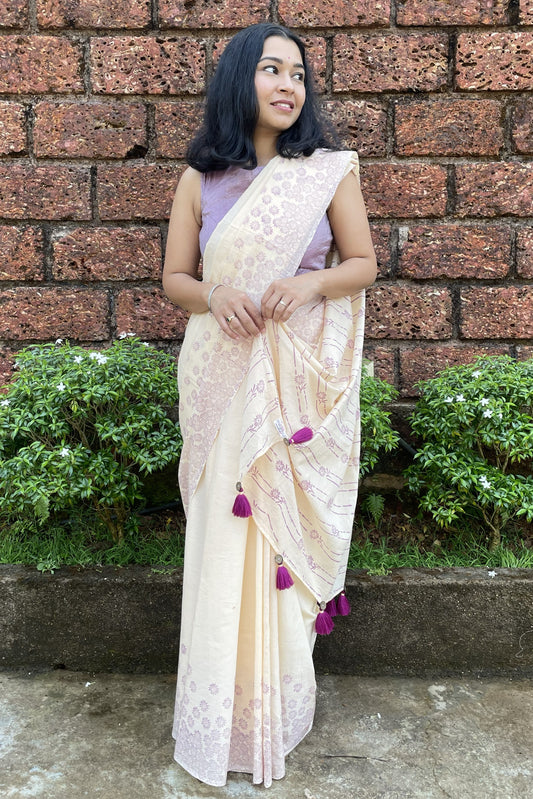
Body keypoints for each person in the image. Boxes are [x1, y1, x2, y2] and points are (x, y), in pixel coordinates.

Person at [162, 22, 377, 787]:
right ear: (237, 82)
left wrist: (309, 283)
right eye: (271, 70)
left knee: (279, 539)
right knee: (225, 530)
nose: (289, 85)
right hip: (221, 380)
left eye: (298, 74)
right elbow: (175, 281)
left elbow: (361, 262)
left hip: (293, 388)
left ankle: (272, 713)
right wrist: (215, 295)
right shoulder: (199, 179)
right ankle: (216, 710)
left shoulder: (326, 172)